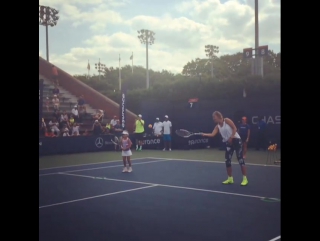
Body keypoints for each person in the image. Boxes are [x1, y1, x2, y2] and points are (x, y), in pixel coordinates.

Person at [202, 111, 248, 186]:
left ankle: (245, 179)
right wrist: (204, 134)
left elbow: (234, 128)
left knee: (240, 159)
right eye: (213, 118)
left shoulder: (226, 120)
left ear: (219, 117)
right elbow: (213, 134)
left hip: (236, 140)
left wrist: (232, 137)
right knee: (227, 160)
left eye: (214, 117)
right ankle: (230, 178)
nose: (213, 119)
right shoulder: (217, 126)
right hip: (229, 143)